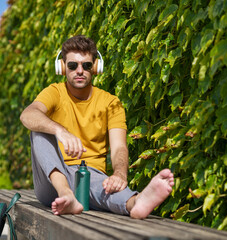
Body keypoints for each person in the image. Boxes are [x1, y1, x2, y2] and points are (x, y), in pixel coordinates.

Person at [20, 35, 174, 219]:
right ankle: (66, 194)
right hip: (51, 180)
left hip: (89, 175)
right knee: (38, 129)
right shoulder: (54, 92)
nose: (79, 70)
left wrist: (119, 175)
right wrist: (60, 131)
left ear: (95, 67)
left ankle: (137, 202)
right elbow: (28, 115)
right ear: (62, 67)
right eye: (72, 65)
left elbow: (119, 147)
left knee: (105, 187)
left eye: (86, 65)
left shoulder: (111, 103)